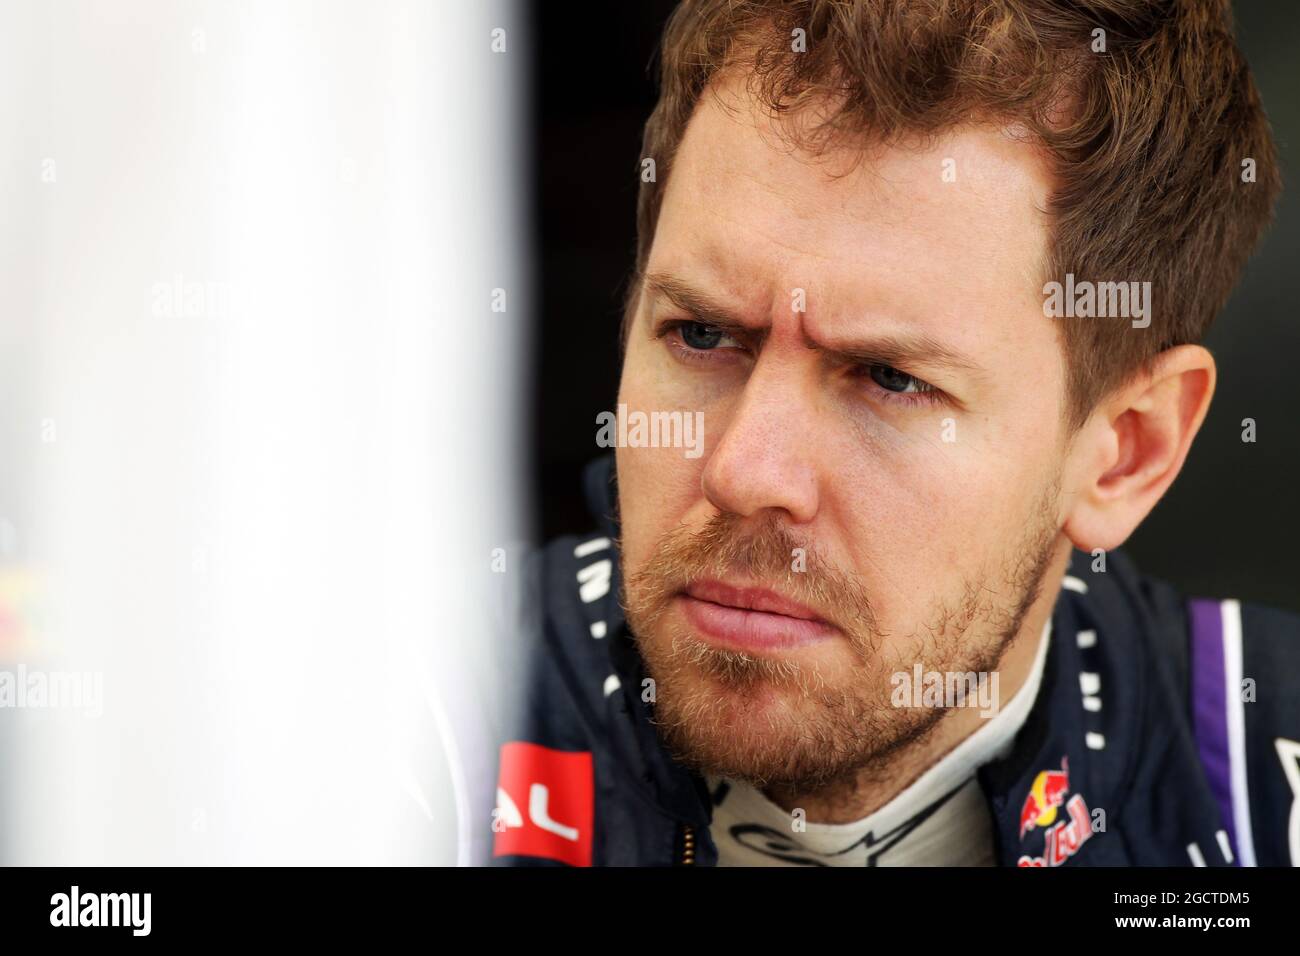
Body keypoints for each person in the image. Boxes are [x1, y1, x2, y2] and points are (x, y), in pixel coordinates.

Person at [491, 0, 1297, 866]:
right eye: (703, 334)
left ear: (1126, 454)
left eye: (890, 380)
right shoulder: (392, 723)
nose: (745, 470)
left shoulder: (1258, 787)